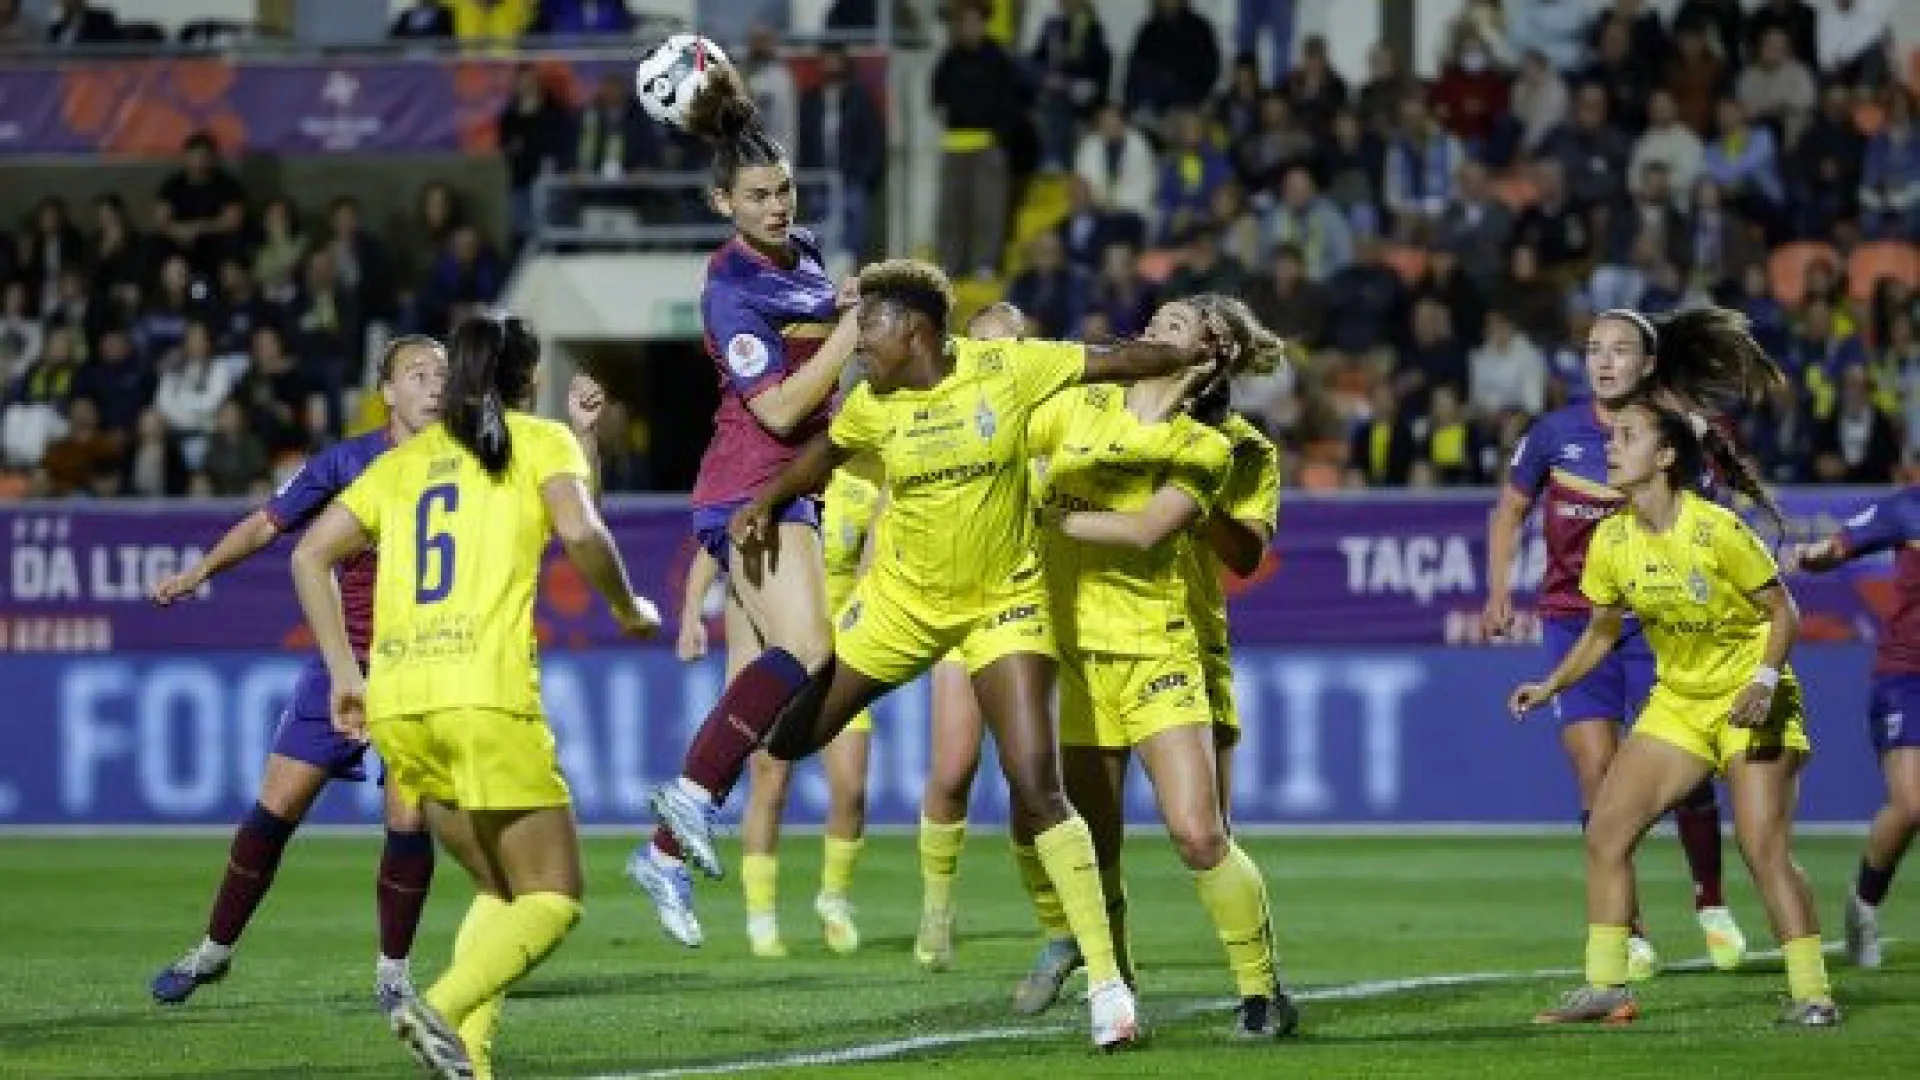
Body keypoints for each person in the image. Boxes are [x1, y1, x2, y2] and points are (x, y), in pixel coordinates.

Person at [662, 258, 1220, 1048]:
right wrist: (765, 500)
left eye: (870, 332)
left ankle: (1108, 986)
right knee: (787, 738)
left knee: (1035, 783)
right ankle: (693, 808)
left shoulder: (1010, 368)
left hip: (1004, 604)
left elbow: (1119, 360)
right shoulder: (873, 406)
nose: (859, 348)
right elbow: (821, 456)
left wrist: (1188, 356)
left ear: (913, 331)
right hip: (901, 609)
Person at [289, 312, 661, 1079]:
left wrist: (343, 672)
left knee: (501, 886)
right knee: (554, 897)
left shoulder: (402, 463)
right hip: (482, 696)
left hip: (399, 705)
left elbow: (309, 555)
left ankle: (471, 1063)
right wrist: (630, 609)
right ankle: (438, 1008)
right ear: (525, 381)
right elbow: (584, 535)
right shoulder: (538, 438)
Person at [624, 59, 866, 947]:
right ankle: (685, 803)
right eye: (759, 194)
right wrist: (856, 326)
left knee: (750, 695)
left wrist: (844, 303)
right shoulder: (727, 288)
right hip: (751, 488)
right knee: (810, 648)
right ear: (722, 203)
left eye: (786, 189)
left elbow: (821, 324)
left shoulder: (799, 256)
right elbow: (779, 407)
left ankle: (663, 851)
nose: (779, 205)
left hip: (790, 485)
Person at [145, 336, 450, 1010]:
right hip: (342, 664)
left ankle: (393, 974)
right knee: (274, 810)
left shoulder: (467, 461)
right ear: (388, 393)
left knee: (407, 819)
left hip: (423, 669)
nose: (432, 384)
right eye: (416, 374)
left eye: (442, 374)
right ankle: (214, 951)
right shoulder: (346, 461)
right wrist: (199, 572)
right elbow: (265, 526)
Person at [1022, 292, 1296, 1039]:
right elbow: (1010, 433)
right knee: (1095, 845)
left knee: (1201, 834)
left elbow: (1155, 532)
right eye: (1156, 319)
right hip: (1076, 651)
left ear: (1211, 354)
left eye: (1175, 324)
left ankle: (1263, 991)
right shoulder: (1082, 406)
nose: (1152, 328)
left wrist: (1047, 513)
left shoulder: (1219, 447)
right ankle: (1117, 990)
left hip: (1165, 647)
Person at [1512, 401, 1836, 1028]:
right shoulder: (1611, 540)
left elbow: (1784, 613)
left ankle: (1814, 995)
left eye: (1626, 437)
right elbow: (1603, 631)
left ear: (1664, 457)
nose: (1610, 446)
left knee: (1761, 847)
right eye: (1610, 437)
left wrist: (1767, 681)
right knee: (1606, 834)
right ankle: (1606, 988)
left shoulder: (1716, 530)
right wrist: (1551, 684)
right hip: (1680, 705)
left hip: (1749, 695)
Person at [1483, 307, 1783, 979]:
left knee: (1681, 776)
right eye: (1594, 349)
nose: (1604, 360)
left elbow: (1707, 529)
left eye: (1620, 350)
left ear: (1648, 365)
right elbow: (1508, 510)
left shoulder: (1669, 437)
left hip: (1658, 624)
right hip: (1576, 621)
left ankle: (1710, 901)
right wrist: (1497, 589)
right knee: (1596, 768)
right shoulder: (1553, 434)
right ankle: (1634, 930)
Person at [908, 301, 1025, 974]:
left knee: (1030, 776)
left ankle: (1061, 915)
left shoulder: (1042, 410)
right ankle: (936, 907)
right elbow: (898, 511)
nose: (992, 358)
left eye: (1005, 347)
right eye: (981, 346)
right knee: (953, 769)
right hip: (960, 613)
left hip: (1027, 608)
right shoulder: (942, 418)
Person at [1787, 488, 1920, 969]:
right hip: (1908, 676)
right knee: (1911, 804)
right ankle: (1864, 904)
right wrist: (1814, 555)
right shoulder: (1907, 508)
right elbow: (1841, 545)